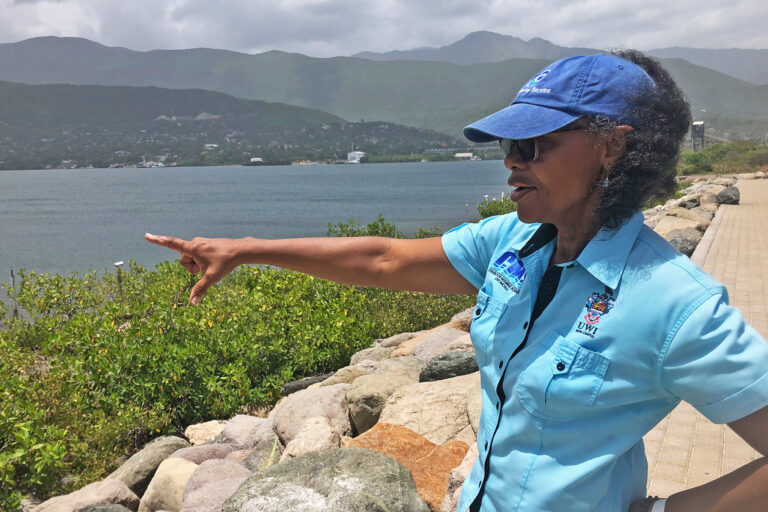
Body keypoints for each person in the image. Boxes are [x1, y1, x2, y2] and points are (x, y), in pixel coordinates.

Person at [145, 50, 768, 512]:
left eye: (535, 142)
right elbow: (383, 259)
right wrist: (249, 249)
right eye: (508, 142)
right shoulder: (511, 244)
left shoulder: (674, 303)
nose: (511, 160)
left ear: (612, 148)